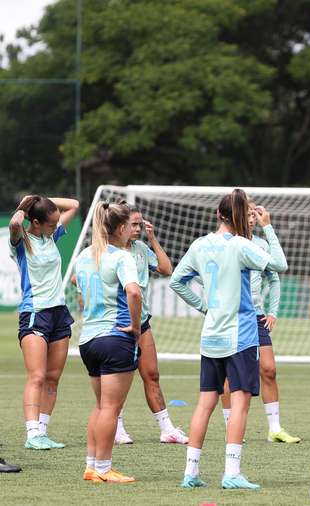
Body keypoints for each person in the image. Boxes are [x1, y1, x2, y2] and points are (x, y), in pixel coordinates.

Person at [170, 189, 287, 490]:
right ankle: (232, 473)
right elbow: (280, 265)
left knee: (204, 403)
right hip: (241, 336)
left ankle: (190, 472)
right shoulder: (240, 245)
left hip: (211, 336)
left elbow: (177, 281)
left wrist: (204, 307)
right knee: (239, 404)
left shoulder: (199, 244)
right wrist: (269, 227)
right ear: (239, 217)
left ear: (218, 214)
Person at [220, 200, 300, 445]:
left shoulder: (262, 244)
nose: (252, 217)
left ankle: (274, 428)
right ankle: (230, 427)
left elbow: (275, 278)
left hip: (256, 316)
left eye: (255, 213)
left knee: (269, 369)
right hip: (231, 317)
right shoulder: (225, 244)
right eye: (247, 213)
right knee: (229, 375)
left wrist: (272, 311)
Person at [75, 202, 143, 483]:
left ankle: (92, 466)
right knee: (112, 409)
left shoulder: (82, 256)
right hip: (115, 337)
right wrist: (136, 326)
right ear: (120, 228)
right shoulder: (121, 257)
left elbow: (80, 296)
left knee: (101, 406)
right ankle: (104, 468)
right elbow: (134, 293)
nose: (132, 230)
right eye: (130, 225)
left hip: (88, 339)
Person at [113, 205, 188, 445]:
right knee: (120, 379)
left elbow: (167, 269)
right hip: (117, 324)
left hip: (141, 322)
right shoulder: (107, 252)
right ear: (121, 225)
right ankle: (116, 427)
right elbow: (76, 278)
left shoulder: (142, 249)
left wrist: (153, 238)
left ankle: (167, 429)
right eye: (134, 224)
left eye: (140, 224)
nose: (138, 229)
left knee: (152, 374)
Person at [9, 195, 79, 450]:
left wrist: (38, 197)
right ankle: (31, 434)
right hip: (35, 313)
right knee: (36, 376)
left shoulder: (51, 237)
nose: (56, 228)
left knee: (52, 378)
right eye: (51, 224)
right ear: (35, 222)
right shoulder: (21, 242)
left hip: (59, 313)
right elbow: (16, 224)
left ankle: (42, 431)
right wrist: (24, 205)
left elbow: (74, 205)